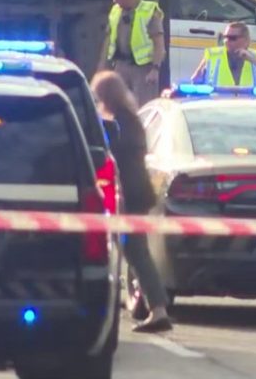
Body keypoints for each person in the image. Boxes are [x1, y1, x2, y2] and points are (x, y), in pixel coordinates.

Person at [90, 70, 173, 334]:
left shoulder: (121, 122)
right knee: (132, 251)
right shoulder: (127, 119)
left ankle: (158, 308)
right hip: (133, 192)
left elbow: (113, 150)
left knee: (136, 251)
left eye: (98, 95)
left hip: (131, 193)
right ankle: (153, 305)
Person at [98, 0, 165, 107]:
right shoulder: (116, 11)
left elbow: (159, 43)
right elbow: (108, 39)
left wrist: (155, 69)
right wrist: (102, 66)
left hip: (143, 69)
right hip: (121, 65)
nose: (114, 1)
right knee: (117, 105)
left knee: (143, 106)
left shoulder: (149, 11)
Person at [190, 22, 256, 86]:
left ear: (246, 40)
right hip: (219, 104)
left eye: (232, 38)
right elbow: (195, 81)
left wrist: (252, 59)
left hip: (250, 105)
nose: (226, 41)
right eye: (225, 37)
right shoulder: (213, 54)